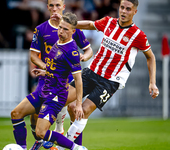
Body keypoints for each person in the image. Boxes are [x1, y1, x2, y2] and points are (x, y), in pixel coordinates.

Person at [51, 0, 159, 149]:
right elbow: (90, 25)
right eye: (122, 7)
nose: (124, 11)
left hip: (110, 81)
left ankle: (63, 146)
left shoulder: (138, 35)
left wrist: (152, 82)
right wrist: (70, 25)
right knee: (66, 102)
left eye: (128, 9)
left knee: (85, 109)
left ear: (135, 12)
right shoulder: (108, 22)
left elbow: (151, 57)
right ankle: (64, 135)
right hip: (92, 71)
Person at [11, 0, 92, 149]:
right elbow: (36, 57)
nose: (55, 9)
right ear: (47, 7)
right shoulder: (46, 32)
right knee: (24, 115)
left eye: (58, 5)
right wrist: (45, 68)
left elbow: (86, 54)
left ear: (63, 7)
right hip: (46, 81)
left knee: (73, 108)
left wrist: (84, 56)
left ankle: (73, 144)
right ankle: (42, 139)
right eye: (52, 5)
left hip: (62, 85)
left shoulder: (72, 35)